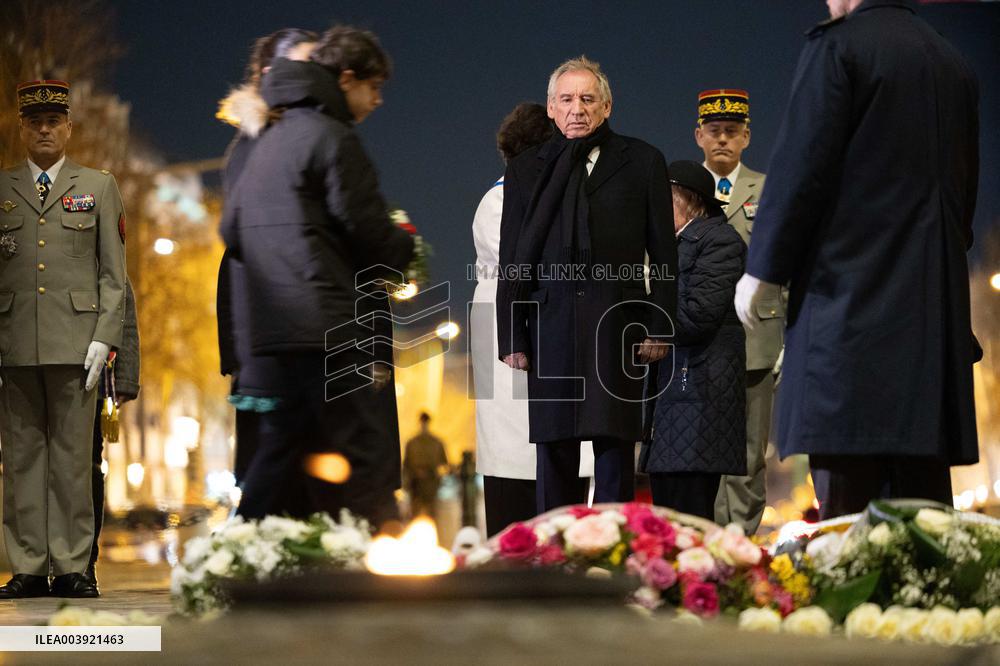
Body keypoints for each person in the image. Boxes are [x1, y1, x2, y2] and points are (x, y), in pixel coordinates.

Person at [735, 0, 981, 519]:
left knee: (848, 520)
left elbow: (802, 164)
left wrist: (762, 268)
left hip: (850, 320)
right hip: (931, 330)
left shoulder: (840, 46)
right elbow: (964, 202)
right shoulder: (952, 61)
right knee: (924, 520)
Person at [221, 25, 414, 527]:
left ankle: (230, 552)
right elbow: (368, 229)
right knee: (365, 450)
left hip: (272, 328)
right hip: (326, 323)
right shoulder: (332, 138)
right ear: (346, 79)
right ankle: (388, 556)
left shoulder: (262, 141)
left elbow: (230, 230)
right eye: (373, 88)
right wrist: (404, 249)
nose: (377, 101)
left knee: (279, 451)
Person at [496, 57, 677, 513]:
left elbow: (664, 254)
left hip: (617, 325)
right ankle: (555, 551)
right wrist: (511, 336)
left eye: (587, 99)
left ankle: (615, 549)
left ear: (606, 107)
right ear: (551, 109)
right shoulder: (525, 170)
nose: (577, 109)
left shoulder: (643, 161)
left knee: (615, 451)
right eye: (566, 99)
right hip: (550, 328)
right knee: (554, 453)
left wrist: (660, 325)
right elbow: (512, 259)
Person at [0, 80, 126, 598]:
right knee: (21, 461)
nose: (45, 130)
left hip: (78, 346)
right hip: (14, 343)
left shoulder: (98, 186)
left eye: (54, 121)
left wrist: (105, 337)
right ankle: (29, 566)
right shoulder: (3, 186)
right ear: (22, 128)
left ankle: (74, 566)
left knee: (74, 461)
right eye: (35, 122)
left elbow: (114, 276)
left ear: (69, 127)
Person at [215, 28, 316, 488]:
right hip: (272, 339)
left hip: (296, 336)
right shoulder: (259, 143)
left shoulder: (302, 136)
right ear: (269, 73)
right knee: (271, 473)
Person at [692, 89, 781, 535]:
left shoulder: (770, 189)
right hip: (701, 338)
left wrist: (787, 340)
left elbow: (786, 263)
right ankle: (709, 540)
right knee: (702, 446)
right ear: (699, 136)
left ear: (746, 136)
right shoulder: (683, 191)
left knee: (749, 451)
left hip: (757, 339)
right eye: (714, 131)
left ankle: (742, 540)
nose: (723, 139)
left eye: (732, 131)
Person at [640, 161, 747, 521]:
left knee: (690, 512)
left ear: (684, 200)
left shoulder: (719, 241)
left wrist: (640, 316)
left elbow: (699, 315)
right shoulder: (675, 244)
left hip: (699, 391)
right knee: (668, 513)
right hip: (676, 393)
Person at [87, 278, 139, 590]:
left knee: (89, 468)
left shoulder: (103, 256)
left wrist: (127, 378)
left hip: (93, 381)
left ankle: (84, 562)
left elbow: (125, 313)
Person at [403, 412, 448, 518]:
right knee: (416, 514)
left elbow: (444, 465)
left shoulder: (436, 442)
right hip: (416, 484)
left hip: (430, 483)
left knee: (431, 514)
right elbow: (406, 466)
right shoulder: (412, 442)